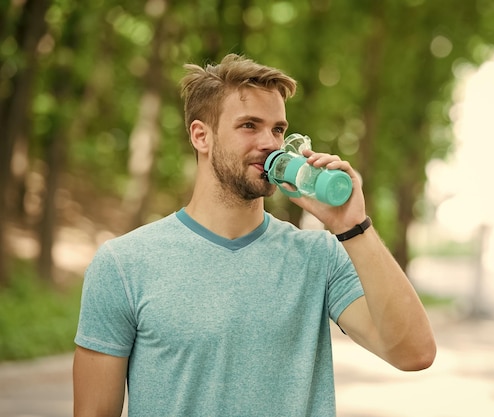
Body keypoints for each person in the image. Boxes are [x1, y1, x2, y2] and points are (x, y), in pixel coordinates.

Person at [73, 53, 436, 417]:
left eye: (278, 129)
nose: (270, 142)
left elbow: (414, 353)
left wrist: (352, 227)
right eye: (249, 125)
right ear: (202, 136)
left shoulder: (319, 256)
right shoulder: (124, 264)